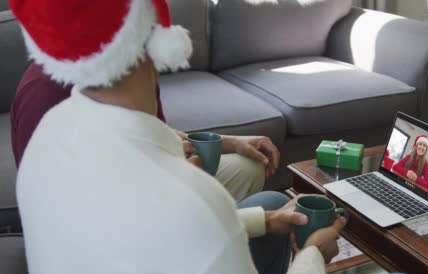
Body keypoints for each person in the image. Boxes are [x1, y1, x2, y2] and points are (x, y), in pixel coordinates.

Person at [12, 0, 428, 274]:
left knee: (271, 208)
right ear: (151, 40)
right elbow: (171, 227)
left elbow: (133, 236)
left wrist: (261, 223)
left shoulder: (50, 136)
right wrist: (313, 257)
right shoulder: (185, 199)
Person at [11, 62, 277, 202]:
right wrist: (164, 175)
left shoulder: (132, 65)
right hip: (94, 220)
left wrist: (228, 143)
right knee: (271, 204)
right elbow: (53, 201)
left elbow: (152, 129)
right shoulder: (44, 91)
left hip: (143, 187)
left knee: (247, 166)